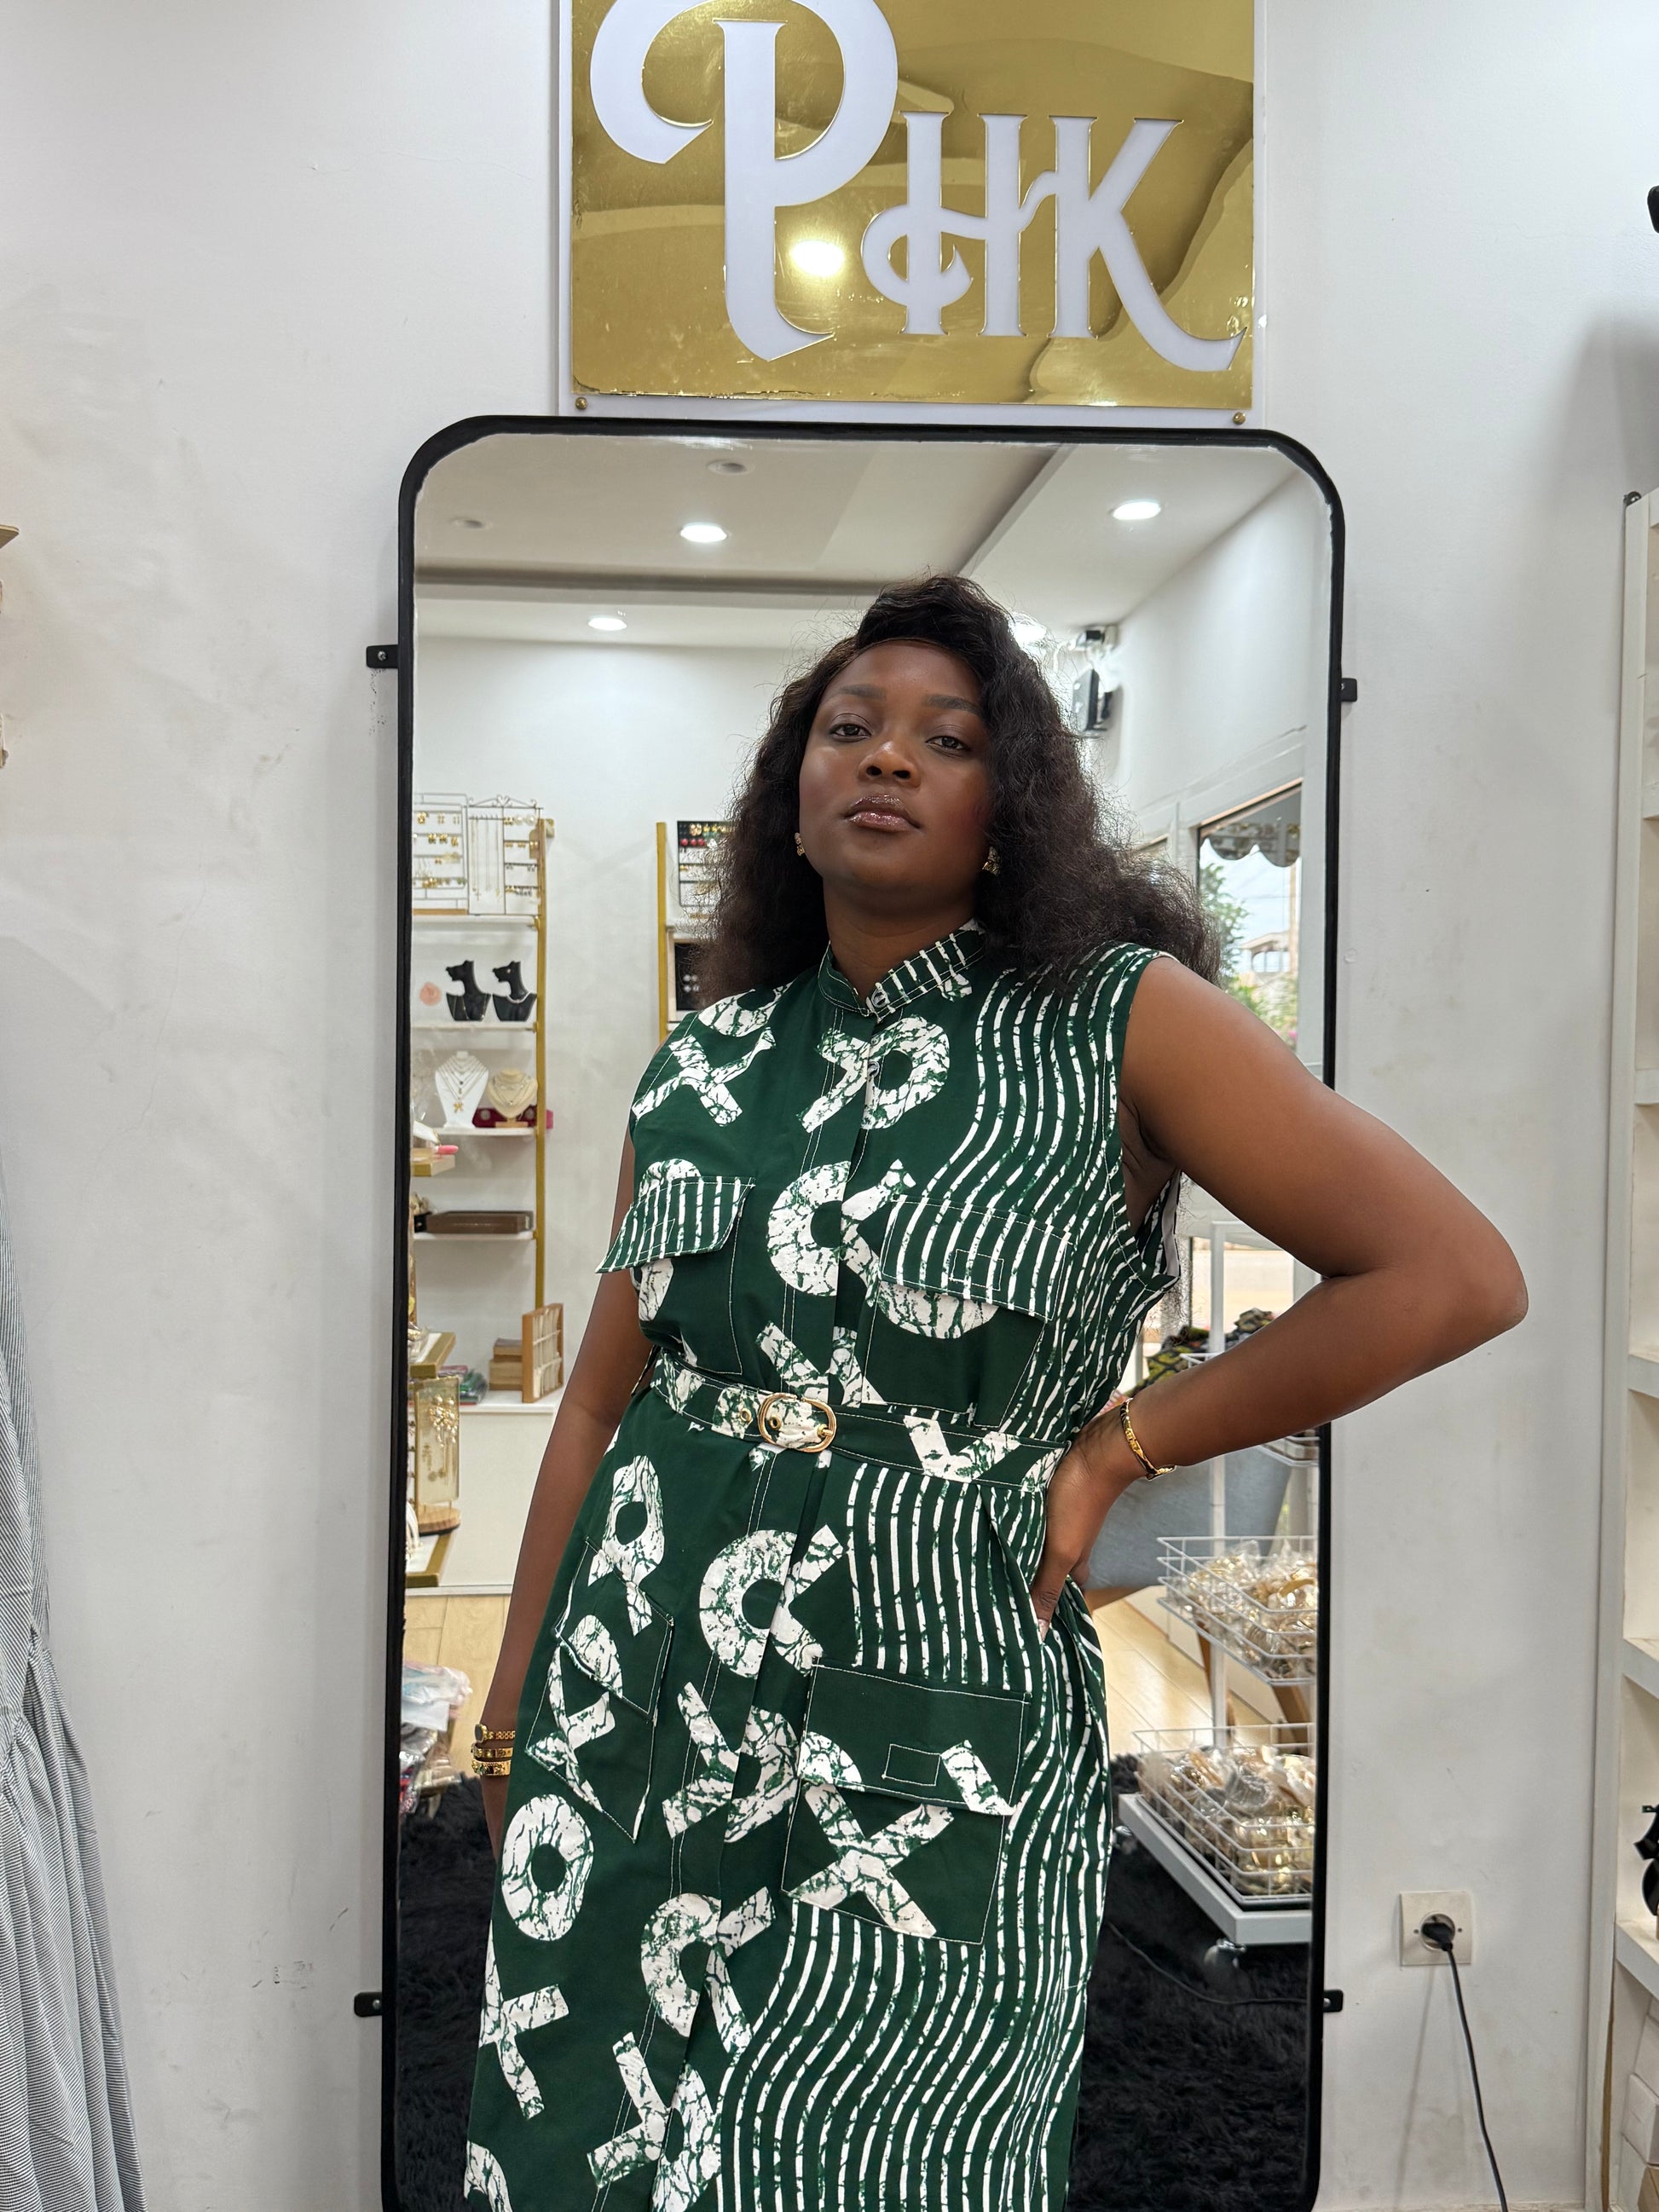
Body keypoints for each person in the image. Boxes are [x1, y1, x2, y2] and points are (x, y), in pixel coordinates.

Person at [461, 575, 1525, 2212]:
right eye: (849, 729)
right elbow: (604, 1405)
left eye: (946, 740)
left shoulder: (1120, 1023)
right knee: (600, 2123)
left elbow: (1447, 1274)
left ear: (1009, 806)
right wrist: (521, 1697)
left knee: (895, 2143)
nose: (887, 758)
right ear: (789, 799)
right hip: (646, 1675)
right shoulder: (704, 1063)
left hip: (932, 1691)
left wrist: (1119, 1448)